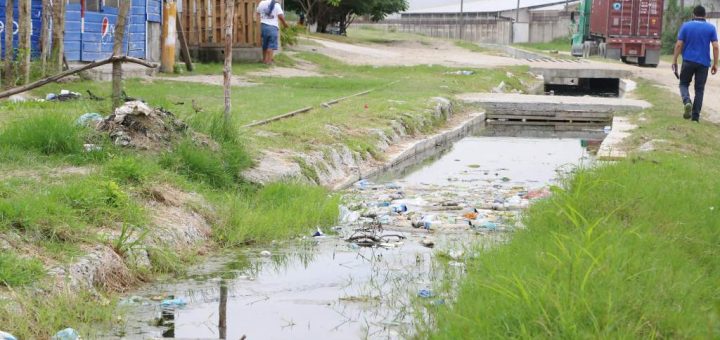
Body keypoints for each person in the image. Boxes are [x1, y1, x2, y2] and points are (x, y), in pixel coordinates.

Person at [672, 5, 719, 122]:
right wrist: (715, 64)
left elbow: (678, 45)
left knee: (683, 84)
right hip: (703, 63)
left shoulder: (686, 26)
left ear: (693, 14)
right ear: (705, 15)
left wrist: (674, 60)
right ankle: (695, 117)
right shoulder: (711, 28)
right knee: (699, 90)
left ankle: (687, 101)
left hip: (688, 61)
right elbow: (716, 47)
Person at [256, 0, 289, 65]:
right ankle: (269, 61)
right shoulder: (276, 5)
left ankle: (264, 60)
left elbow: (258, 13)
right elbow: (280, 16)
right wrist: (285, 24)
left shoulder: (261, 3)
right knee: (271, 45)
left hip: (263, 26)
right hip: (272, 27)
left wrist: (262, 19)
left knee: (265, 44)